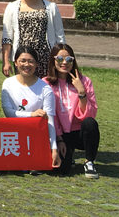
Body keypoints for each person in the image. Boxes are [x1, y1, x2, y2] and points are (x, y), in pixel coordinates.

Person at [45, 44, 100, 178]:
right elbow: (50, 115)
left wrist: (81, 92)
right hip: (59, 134)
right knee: (61, 170)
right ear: (53, 60)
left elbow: (90, 115)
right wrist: (59, 139)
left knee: (90, 123)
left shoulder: (84, 81)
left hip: (79, 132)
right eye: (60, 59)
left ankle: (89, 161)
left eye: (69, 59)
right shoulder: (45, 83)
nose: (64, 63)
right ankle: (69, 156)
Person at [2, 46, 61, 169]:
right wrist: (32, 115)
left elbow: (50, 121)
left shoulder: (45, 88)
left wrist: (54, 149)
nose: (26, 65)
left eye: (31, 61)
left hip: (35, 136)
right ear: (15, 63)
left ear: (37, 64)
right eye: (22, 61)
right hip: (14, 135)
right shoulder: (8, 83)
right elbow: (8, 113)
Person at [2, 0, 66, 79]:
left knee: (46, 86)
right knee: (24, 87)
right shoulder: (12, 7)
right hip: (22, 59)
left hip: (46, 58)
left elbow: (60, 36)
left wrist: (61, 58)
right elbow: (7, 37)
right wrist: (6, 61)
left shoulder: (51, 7)